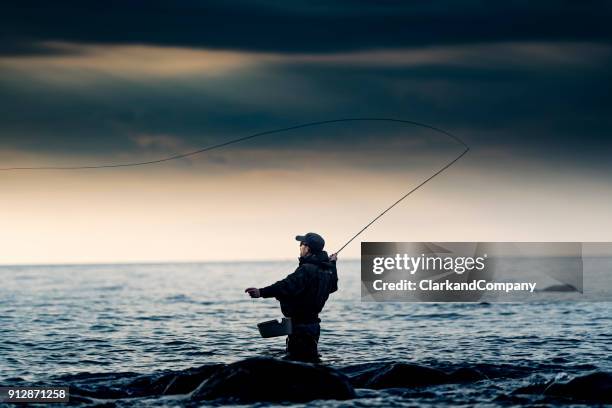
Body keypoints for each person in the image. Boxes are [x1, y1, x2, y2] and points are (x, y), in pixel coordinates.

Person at [245, 232, 338, 362]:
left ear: (308, 248)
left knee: (297, 364)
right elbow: (333, 287)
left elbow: (286, 285)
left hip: (300, 327)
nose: (300, 248)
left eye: (301, 245)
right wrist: (333, 264)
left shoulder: (307, 269)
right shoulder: (327, 270)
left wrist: (261, 292)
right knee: (311, 362)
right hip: (314, 326)